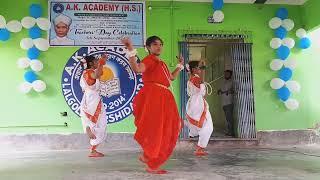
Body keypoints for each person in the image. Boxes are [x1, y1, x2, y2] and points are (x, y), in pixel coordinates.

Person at [121, 36, 184, 174]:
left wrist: (180, 66)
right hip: (155, 98)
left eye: (161, 44)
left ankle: (147, 156)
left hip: (165, 98)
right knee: (157, 130)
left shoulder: (161, 63)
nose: (159, 47)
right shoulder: (149, 60)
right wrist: (130, 49)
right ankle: (152, 164)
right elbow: (137, 68)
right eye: (155, 44)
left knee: (165, 128)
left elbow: (171, 78)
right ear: (148, 47)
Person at [80, 54, 108, 157]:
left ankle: (93, 150)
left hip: (91, 98)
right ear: (91, 63)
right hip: (92, 99)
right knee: (100, 122)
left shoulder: (86, 73)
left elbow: (98, 74)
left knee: (99, 122)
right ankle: (90, 128)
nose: (97, 62)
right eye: (96, 61)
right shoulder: (89, 72)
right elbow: (97, 75)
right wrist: (102, 63)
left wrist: (101, 63)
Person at [185, 61, 213, 156]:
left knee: (202, 124)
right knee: (208, 125)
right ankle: (200, 148)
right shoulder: (196, 79)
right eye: (198, 68)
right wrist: (202, 81)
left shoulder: (191, 78)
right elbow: (202, 90)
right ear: (194, 69)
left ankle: (199, 146)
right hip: (198, 104)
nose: (200, 70)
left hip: (195, 103)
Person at [218, 70, 235, 137]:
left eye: (227, 74)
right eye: (225, 74)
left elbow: (233, 90)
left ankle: (231, 132)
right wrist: (219, 91)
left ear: (230, 75)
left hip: (229, 102)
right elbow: (221, 89)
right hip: (224, 103)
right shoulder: (223, 82)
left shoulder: (232, 82)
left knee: (229, 118)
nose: (225, 75)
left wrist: (228, 91)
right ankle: (229, 131)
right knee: (227, 118)